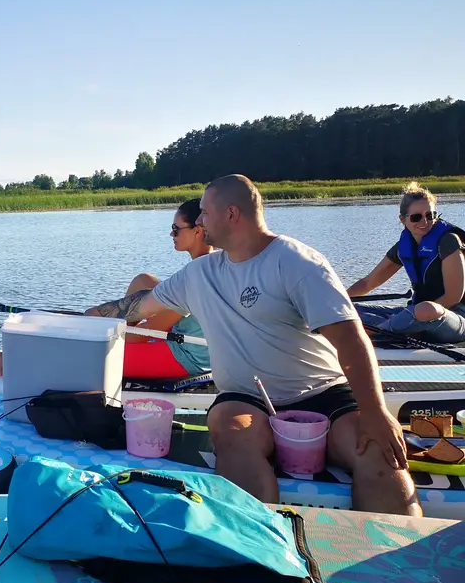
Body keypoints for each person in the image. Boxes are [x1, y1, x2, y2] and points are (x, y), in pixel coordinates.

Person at [111, 174, 419, 517]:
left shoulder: (298, 263)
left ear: (231, 214)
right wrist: (81, 317)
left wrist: (376, 413)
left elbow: (350, 340)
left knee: (377, 451)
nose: (198, 221)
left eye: (203, 212)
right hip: (246, 397)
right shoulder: (199, 274)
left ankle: (397, 559)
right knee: (231, 432)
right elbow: (137, 306)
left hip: (323, 392)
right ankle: (258, 552)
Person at [0, 198, 213, 379]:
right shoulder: (212, 263)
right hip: (187, 338)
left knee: (84, 351)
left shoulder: (193, 281)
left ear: (198, 231)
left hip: (184, 357)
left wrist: (98, 335)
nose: (171, 233)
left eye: (176, 228)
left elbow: (141, 338)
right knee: (143, 280)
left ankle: (8, 364)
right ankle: (105, 330)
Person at [347, 182, 465, 343]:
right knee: (347, 309)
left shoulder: (449, 242)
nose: (425, 222)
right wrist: (334, 301)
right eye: (416, 217)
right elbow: (367, 284)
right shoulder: (403, 247)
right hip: (414, 315)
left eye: (430, 215)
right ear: (402, 219)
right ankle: (397, 329)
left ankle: (377, 332)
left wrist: (415, 318)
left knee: (426, 309)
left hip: (452, 318)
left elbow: (453, 297)